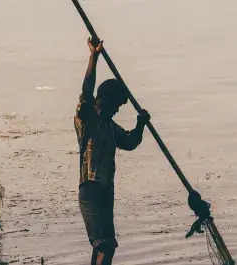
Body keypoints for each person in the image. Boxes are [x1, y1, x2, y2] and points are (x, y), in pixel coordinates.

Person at [75, 37, 150, 265]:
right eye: (116, 105)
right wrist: (94, 57)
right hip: (91, 189)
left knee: (103, 244)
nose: (117, 110)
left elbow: (130, 142)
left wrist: (141, 123)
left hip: (105, 191)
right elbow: (87, 91)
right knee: (105, 246)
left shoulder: (109, 125)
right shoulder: (89, 119)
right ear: (105, 100)